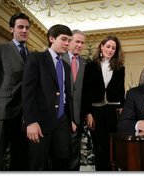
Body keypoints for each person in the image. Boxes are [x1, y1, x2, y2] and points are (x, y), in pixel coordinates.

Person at [0, 12, 30, 171]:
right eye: (20, 27)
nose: (24, 30)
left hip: (23, 115)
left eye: (27, 28)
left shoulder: (32, 55)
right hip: (1, 112)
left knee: (20, 157)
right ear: (11, 29)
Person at [22, 24, 73, 171]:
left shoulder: (66, 65)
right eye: (64, 39)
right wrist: (31, 121)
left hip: (62, 123)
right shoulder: (36, 58)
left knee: (62, 165)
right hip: (40, 123)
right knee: (39, 165)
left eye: (69, 40)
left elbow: (66, 95)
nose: (67, 44)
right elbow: (28, 92)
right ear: (51, 38)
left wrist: (71, 119)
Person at [82, 35, 125, 171]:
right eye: (108, 46)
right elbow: (85, 91)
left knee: (112, 146)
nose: (110, 50)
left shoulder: (120, 68)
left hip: (113, 110)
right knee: (99, 146)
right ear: (101, 46)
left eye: (113, 48)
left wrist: (122, 108)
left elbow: (121, 90)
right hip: (96, 110)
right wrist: (88, 113)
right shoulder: (90, 66)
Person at [63, 29, 87, 171]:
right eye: (77, 41)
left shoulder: (85, 63)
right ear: (69, 41)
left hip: (78, 114)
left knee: (75, 153)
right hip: (61, 114)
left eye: (82, 43)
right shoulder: (60, 58)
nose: (80, 45)